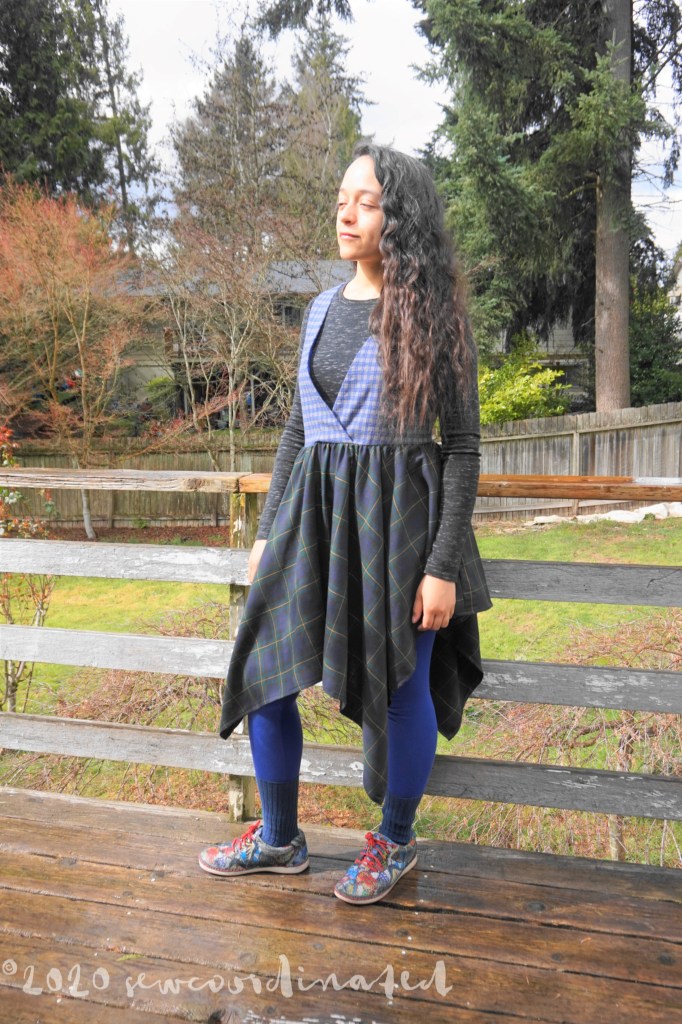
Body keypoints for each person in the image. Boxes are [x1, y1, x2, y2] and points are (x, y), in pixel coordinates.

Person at [198, 143, 492, 905]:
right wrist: (268, 530)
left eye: (366, 201)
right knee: (264, 673)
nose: (346, 213)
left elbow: (462, 447)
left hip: (401, 523)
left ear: (402, 217)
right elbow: (298, 430)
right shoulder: (320, 310)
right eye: (341, 199)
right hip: (313, 520)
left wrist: (442, 566)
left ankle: (396, 840)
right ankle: (279, 839)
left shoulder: (435, 316)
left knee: (401, 685)